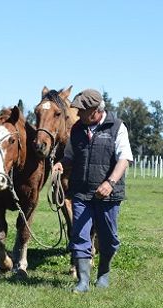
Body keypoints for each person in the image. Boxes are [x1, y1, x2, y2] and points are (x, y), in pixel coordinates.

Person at [52, 88, 133, 293]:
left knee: (108, 238)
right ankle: (83, 282)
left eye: (82, 110)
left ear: (96, 110)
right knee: (79, 234)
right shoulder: (78, 129)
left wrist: (110, 183)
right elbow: (70, 155)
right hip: (81, 192)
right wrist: (62, 163)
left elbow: (124, 159)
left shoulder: (117, 127)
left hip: (108, 195)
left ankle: (103, 274)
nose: (77, 114)